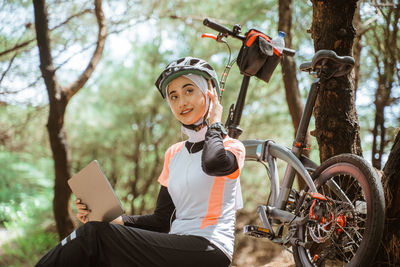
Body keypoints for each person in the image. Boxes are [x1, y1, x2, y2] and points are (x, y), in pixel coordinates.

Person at [36, 57, 245, 267]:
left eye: (189, 90)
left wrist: (216, 122)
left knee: (93, 235)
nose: (181, 102)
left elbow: (212, 163)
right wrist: (107, 219)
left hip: (210, 247)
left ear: (210, 93)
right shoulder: (173, 154)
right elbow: (161, 221)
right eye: (173, 96)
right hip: (175, 243)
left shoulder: (231, 146)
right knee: (97, 242)